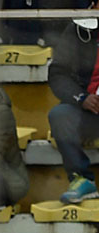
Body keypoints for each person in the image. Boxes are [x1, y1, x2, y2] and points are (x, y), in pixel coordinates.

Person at [47, 5, 99, 204]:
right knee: (59, 115)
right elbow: (58, 73)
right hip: (88, 112)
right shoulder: (78, 29)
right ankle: (82, 178)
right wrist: (82, 98)